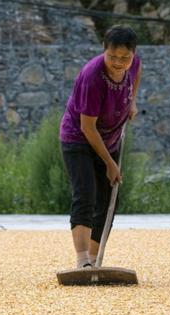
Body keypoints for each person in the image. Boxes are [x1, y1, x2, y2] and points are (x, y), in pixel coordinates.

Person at [59, 25, 143, 268]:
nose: (118, 62)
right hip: (79, 138)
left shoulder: (133, 63)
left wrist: (132, 101)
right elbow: (88, 127)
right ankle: (82, 261)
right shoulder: (92, 78)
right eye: (112, 56)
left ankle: (94, 262)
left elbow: (137, 71)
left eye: (124, 57)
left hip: (110, 138)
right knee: (86, 194)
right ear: (103, 50)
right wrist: (110, 163)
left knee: (108, 201)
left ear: (132, 54)